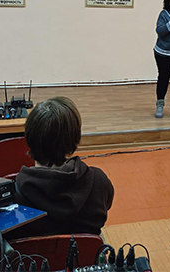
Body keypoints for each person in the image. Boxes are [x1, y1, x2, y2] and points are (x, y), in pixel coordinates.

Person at [14, 97, 114, 236]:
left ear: (29, 137)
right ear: (75, 137)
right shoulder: (99, 182)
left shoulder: (14, 194)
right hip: (85, 250)